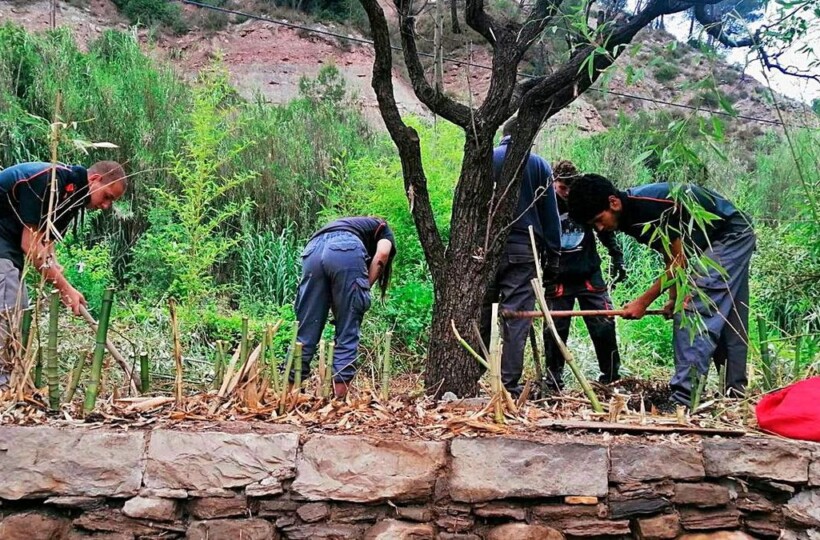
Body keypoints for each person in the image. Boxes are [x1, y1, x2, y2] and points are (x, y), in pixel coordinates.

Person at [567, 174, 755, 408]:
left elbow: (679, 263)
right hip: (722, 237)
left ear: (613, 202)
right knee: (727, 314)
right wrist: (673, 296)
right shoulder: (628, 216)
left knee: (694, 310)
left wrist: (643, 301)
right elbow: (673, 252)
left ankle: (684, 399)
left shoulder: (648, 208)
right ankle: (734, 395)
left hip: (731, 234)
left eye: (598, 219)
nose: (599, 228)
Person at [1, 161, 127, 388]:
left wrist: (55, 268)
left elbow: (46, 243)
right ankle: (4, 389)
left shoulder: (73, 197)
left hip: (8, 247)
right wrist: (66, 289)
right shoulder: (50, 182)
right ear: (94, 179)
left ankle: (11, 385)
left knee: (19, 308)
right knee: (9, 307)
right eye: (107, 196)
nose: (107, 206)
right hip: (5, 244)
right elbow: (30, 245)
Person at [479, 117, 561, 397]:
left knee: (481, 312)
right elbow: (550, 216)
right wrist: (555, 255)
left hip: (486, 249)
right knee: (516, 317)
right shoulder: (538, 164)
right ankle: (508, 387)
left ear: (503, 135)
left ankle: (475, 374)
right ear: (528, 134)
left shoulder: (486, 159)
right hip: (523, 249)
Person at [294, 216, 396, 398]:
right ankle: (339, 401)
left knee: (305, 330)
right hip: (345, 249)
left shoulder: (348, 224)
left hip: (312, 249)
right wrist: (363, 288)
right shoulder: (383, 228)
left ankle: (289, 395)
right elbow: (382, 254)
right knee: (347, 329)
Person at [544, 160, 624, 391]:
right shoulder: (545, 203)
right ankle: (553, 381)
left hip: (589, 271)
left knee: (604, 324)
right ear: (554, 184)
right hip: (557, 275)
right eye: (562, 187)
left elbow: (603, 229)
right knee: (554, 329)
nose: (567, 192)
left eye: (571, 186)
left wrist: (616, 257)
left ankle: (611, 378)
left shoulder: (582, 200)